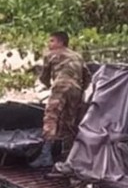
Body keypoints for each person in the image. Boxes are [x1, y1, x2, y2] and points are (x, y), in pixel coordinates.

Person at [31, 31, 90, 168]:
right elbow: (87, 77)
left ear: (60, 42)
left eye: (52, 41)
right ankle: (67, 158)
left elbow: (44, 77)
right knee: (69, 122)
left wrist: (49, 86)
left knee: (51, 117)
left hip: (60, 87)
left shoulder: (51, 54)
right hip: (76, 91)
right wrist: (80, 89)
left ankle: (45, 155)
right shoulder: (78, 56)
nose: (49, 44)